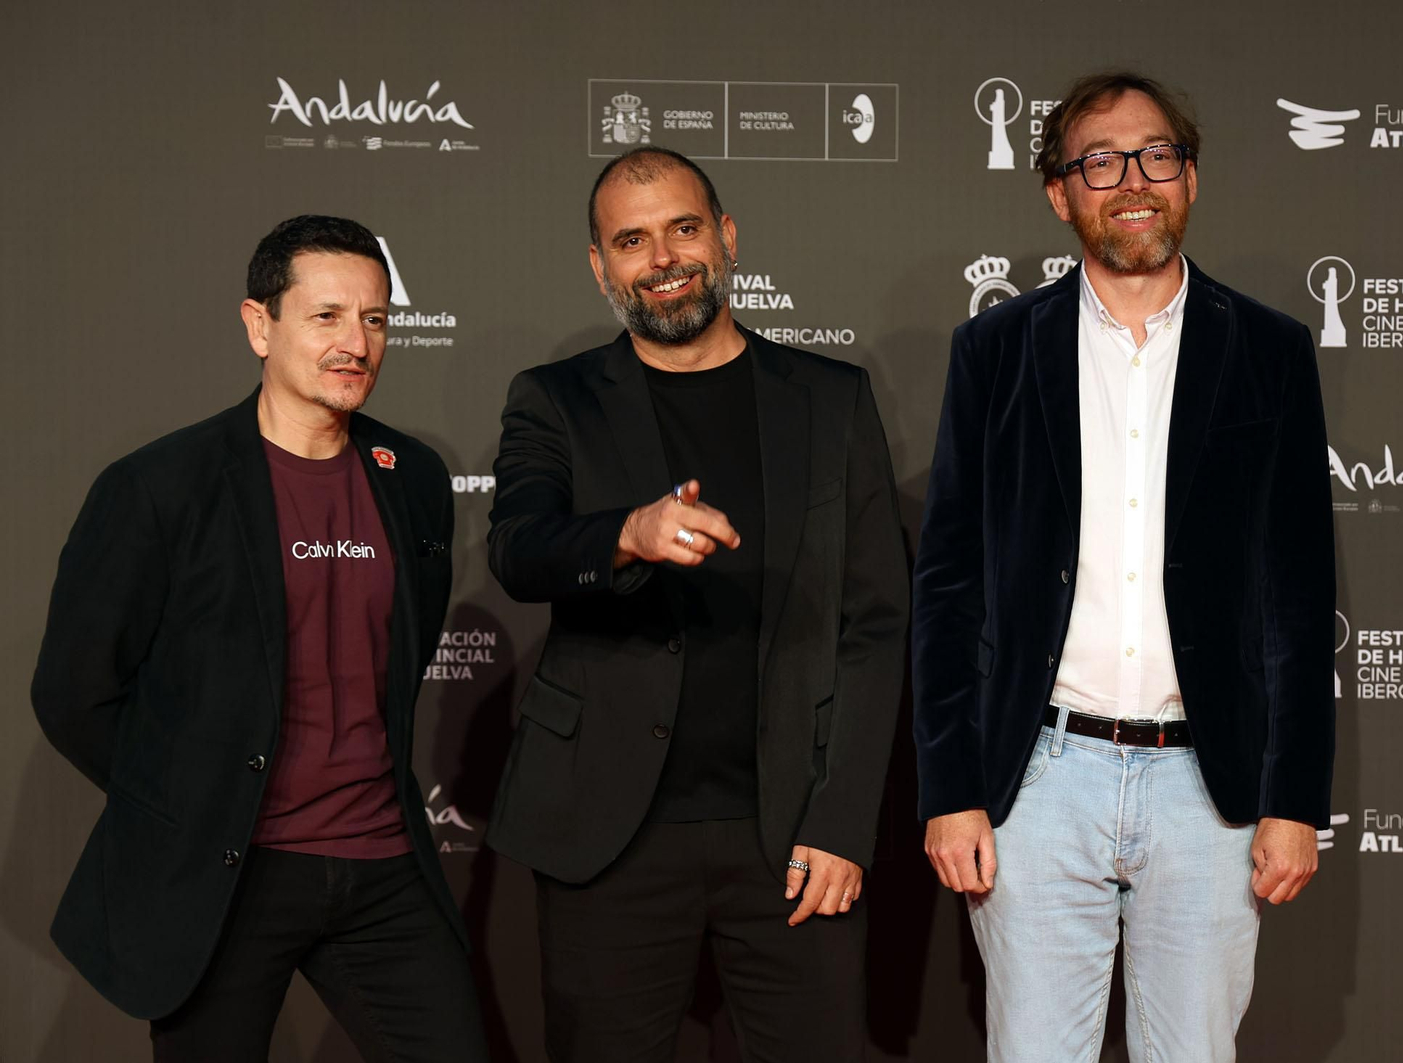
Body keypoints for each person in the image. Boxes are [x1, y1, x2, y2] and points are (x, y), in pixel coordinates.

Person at [913, 72, 1335, 1062]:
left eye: (1155, 156)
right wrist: (950, 787)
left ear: (1188, 178)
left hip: (1208, 783)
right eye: (1098, 160)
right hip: (1039, 779)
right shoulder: (994, 350)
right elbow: (948, 585)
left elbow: (1298, 590)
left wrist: (1295, 798)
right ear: (1059, 192)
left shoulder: (1270, 352)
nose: (1131, 179)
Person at [485, 146, 908, 1063]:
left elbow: (876, 622)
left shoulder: (832, 400)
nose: (663, 256)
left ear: (725, 236)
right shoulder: (556, 401)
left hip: (793, 832)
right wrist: (626, 534)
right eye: (631, 240)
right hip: (608, 836)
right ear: (601, 268)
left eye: (683, 228)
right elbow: (516, 548)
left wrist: (841, 825)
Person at [32, 215, 488, 1062]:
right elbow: (73, 693)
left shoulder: (414, 478)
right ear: (259, 324)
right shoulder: (159, 486)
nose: (358, 342)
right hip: (231, 872)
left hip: (383, 862)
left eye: (376, 319)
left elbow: (405, 651)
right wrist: (195, 794)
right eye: (326, 317)